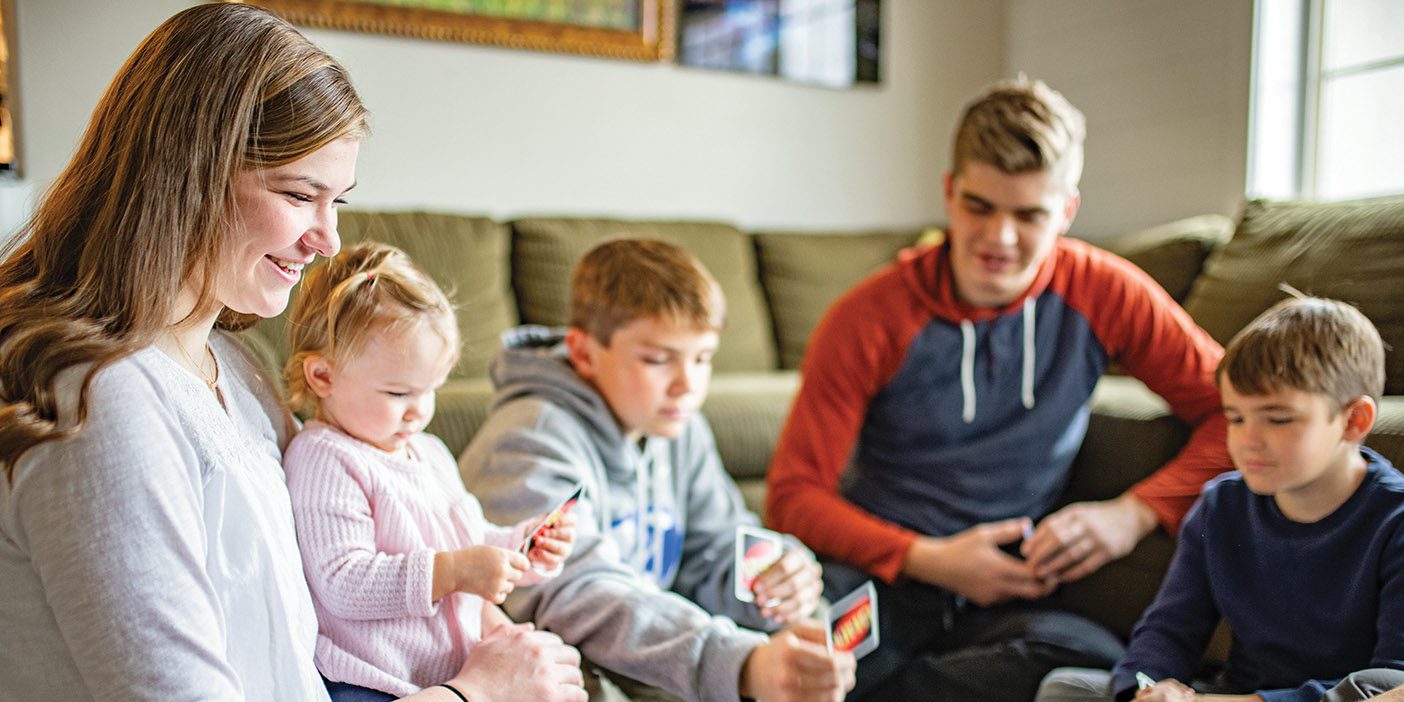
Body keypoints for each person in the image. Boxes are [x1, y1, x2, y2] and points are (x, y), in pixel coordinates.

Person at [0, 5, 581, 700]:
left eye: (338, 201)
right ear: (190, 175)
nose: (329, 239)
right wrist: (476, 694)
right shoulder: (100, 401)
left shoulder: (236, 371)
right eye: (301, 195)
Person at [764, 75, 1233, 701]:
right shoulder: (868, 316)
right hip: (881, 578)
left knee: (1092, 662)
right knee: (808, 667)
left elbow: (1241, 411)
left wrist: (1134, 513)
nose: (999, 239)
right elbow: (793, 497)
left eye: (1030, 215)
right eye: (979, 207)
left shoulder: (1106, 291)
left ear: (1066, 211)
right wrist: (928, 558)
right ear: (949, 192)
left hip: (1006, 602)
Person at [459, 238, 857, 702]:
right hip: (549, 672)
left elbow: (716, 547)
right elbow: (578, 596)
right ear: (585, 353)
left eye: (702, 358)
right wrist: (736, 662)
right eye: (657, 359)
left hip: (642, 661)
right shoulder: (529, 439)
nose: (688, 385)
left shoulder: (676, 428)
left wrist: (774, 577)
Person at [1035, 295, 1404, 702]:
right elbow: (1168, 630)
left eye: (1278, 419)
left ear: (1354, 420)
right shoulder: (1220, 504)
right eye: (1235, 418)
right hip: (1227, 692)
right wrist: (1146, 689)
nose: (1248, 441)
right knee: (1065, 688)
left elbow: (1389, 679)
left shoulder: (1395, 519)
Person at [282, 242, 581, 700]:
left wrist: (522, 548)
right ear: (323, 377)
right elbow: (344, 582)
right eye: (398, 393)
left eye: (431, 390)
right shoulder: (325, 457)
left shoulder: (432, 453)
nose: (419, 412)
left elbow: (470, 540)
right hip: (372, 683)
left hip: (446, 677)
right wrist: (454, 571)